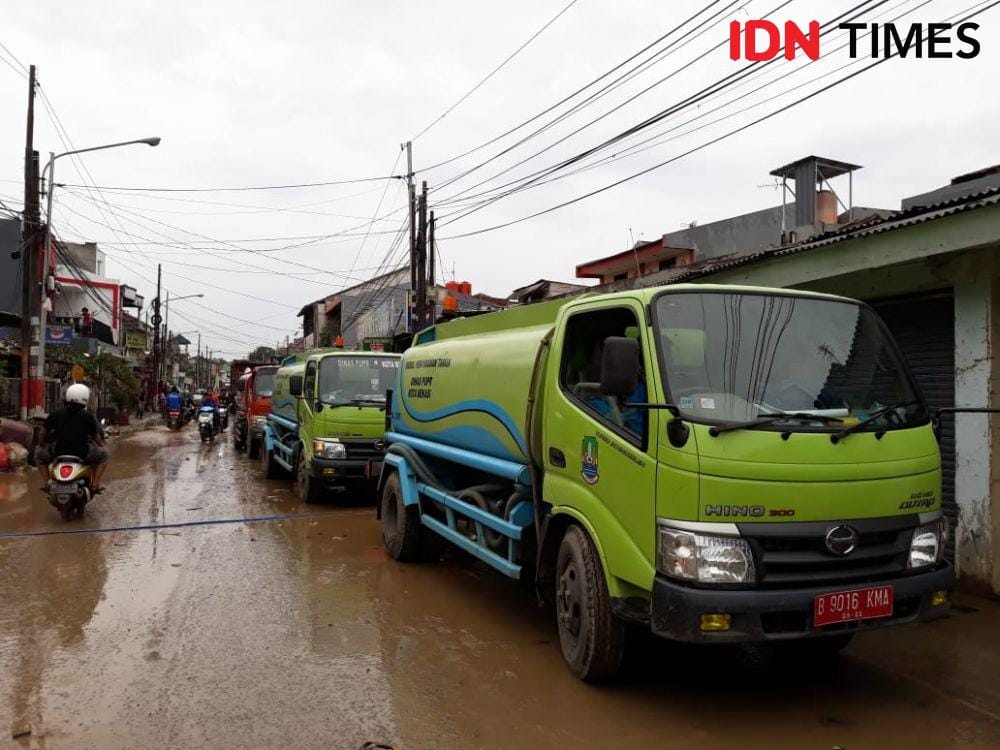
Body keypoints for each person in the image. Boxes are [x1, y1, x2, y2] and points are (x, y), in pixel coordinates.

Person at [34, 383, 109, 492]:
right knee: (104, 455)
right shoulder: (88, 416)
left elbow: (42, 433)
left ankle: (47, 483)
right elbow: (96, 437)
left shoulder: (55, 413)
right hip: (83, 453)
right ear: (85, 398)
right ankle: (95, 484)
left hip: (58, 452)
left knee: (38, 456)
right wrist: (102, 446)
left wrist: (40, 444)